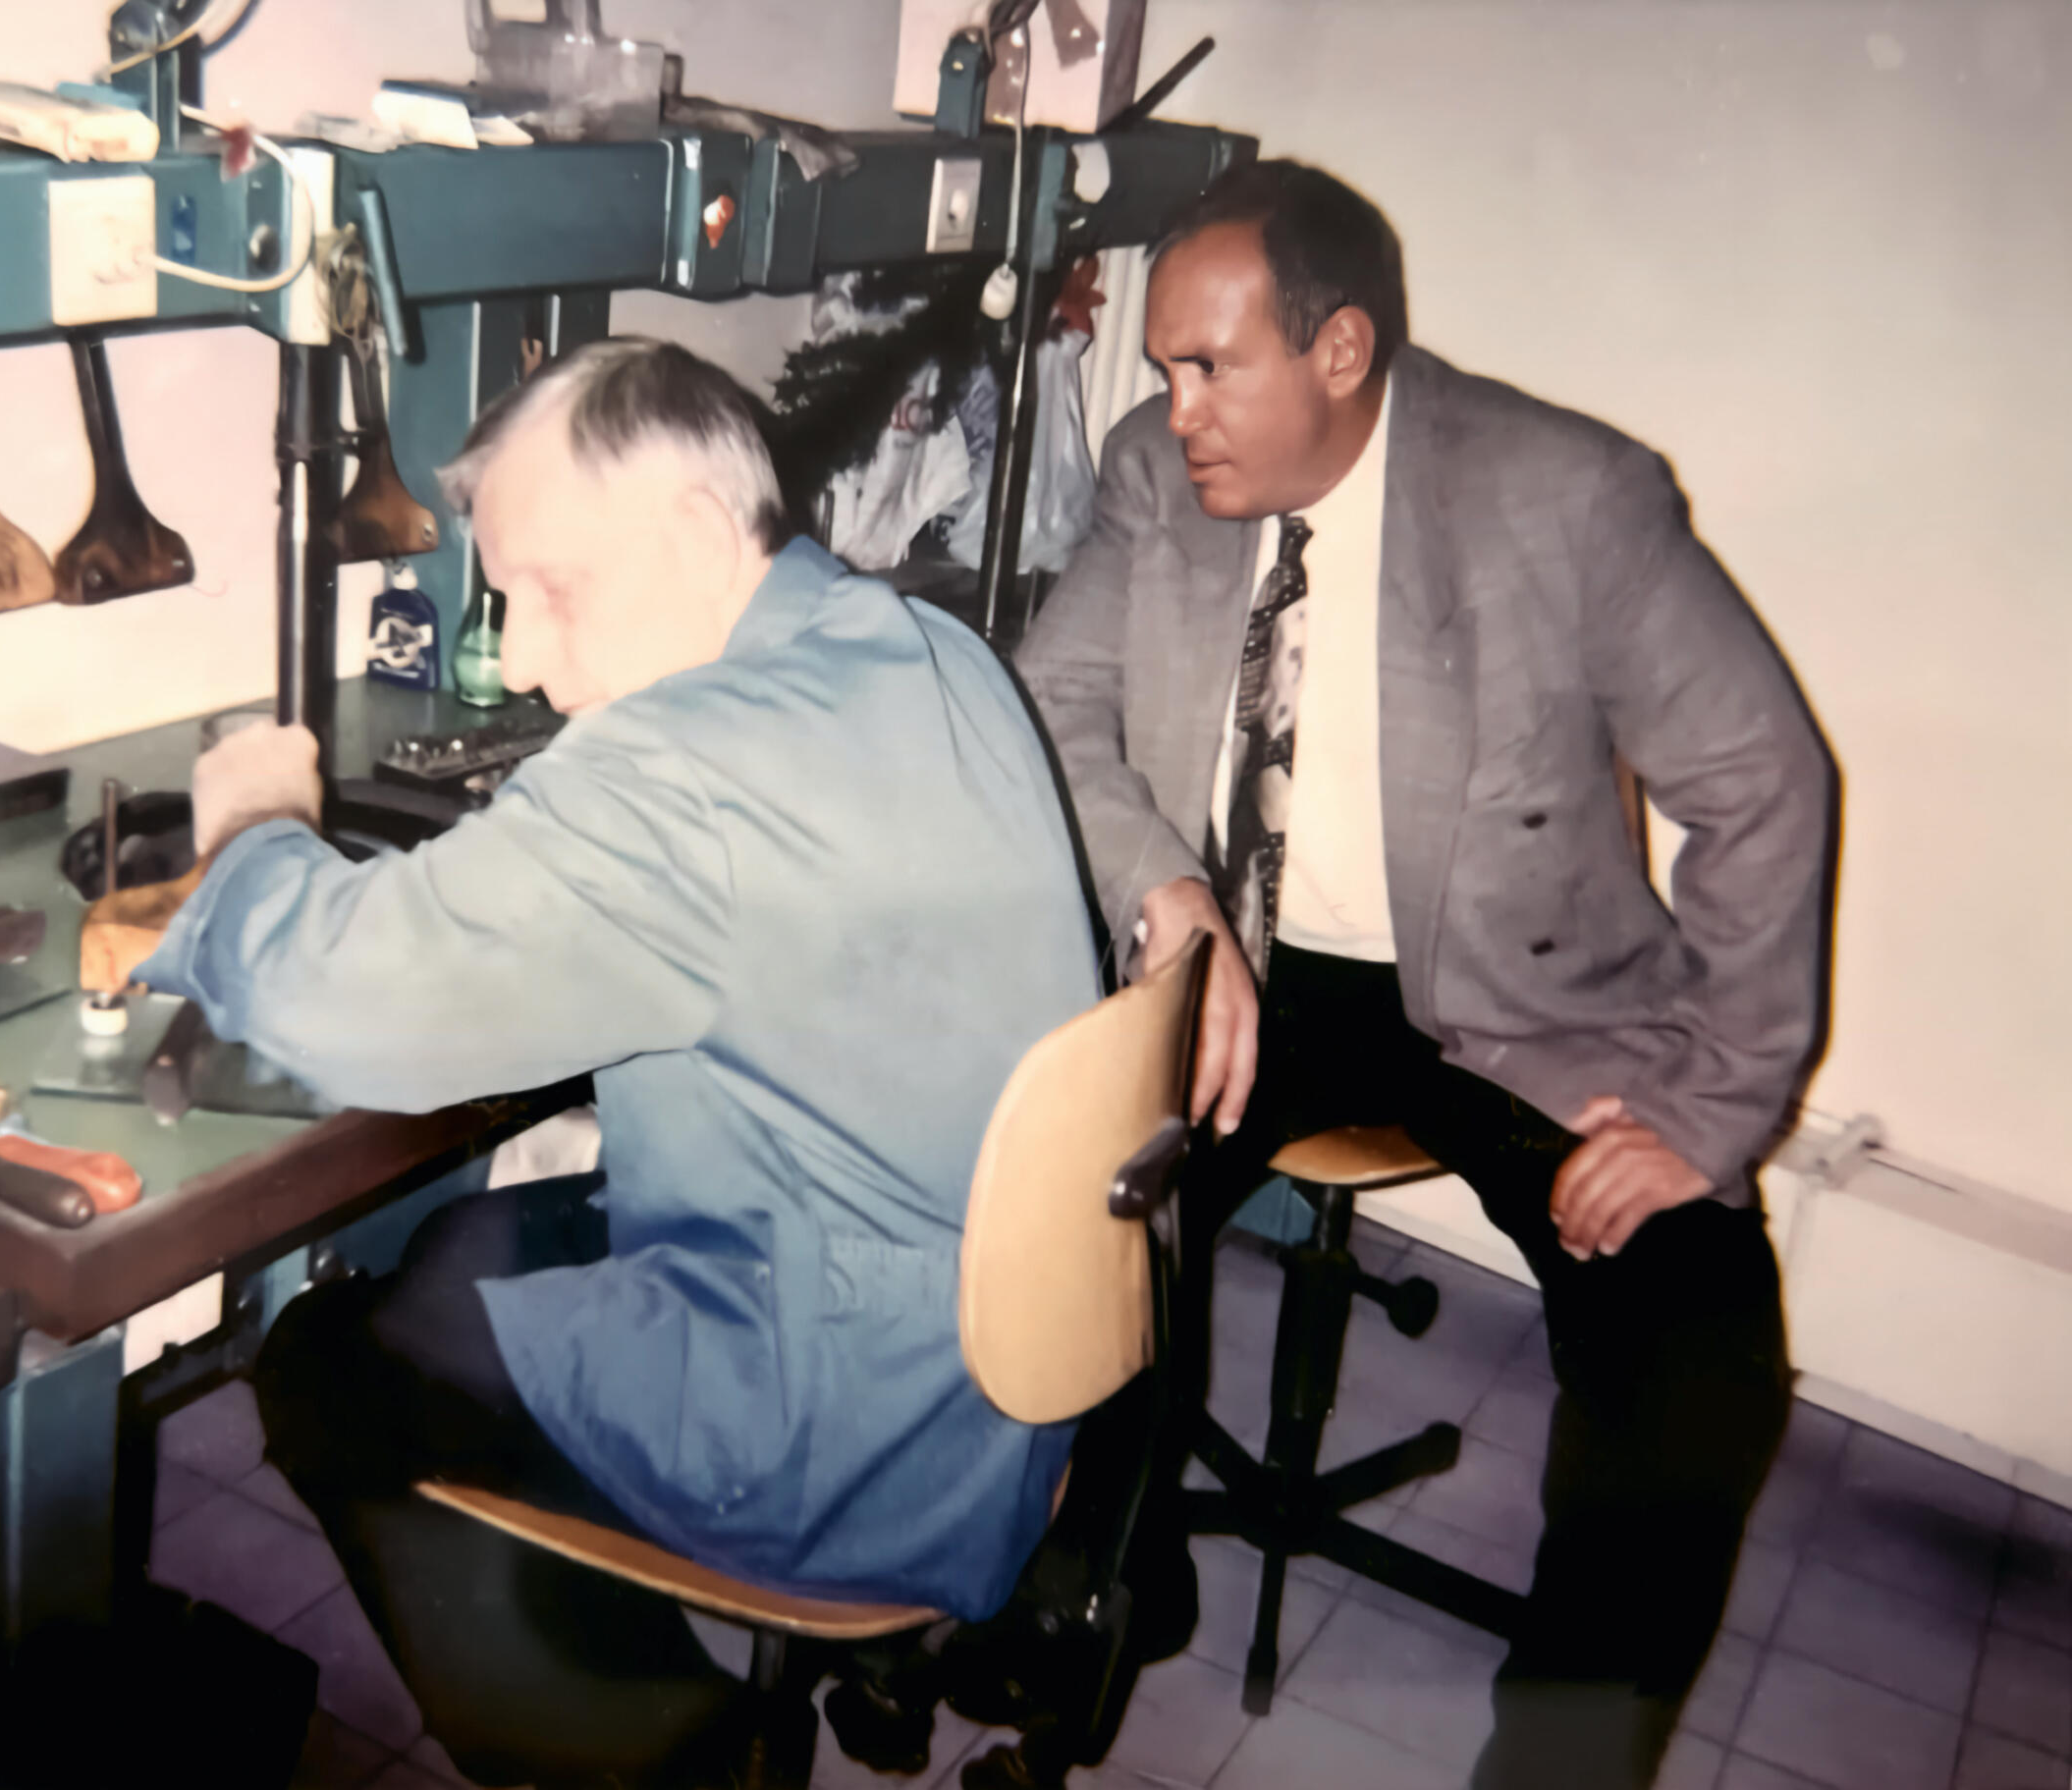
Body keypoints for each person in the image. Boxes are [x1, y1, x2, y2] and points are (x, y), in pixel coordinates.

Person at [130, 339, 1100, 1786]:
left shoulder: (680, 768)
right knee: (466, 1245)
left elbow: (356, 1007)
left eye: (548, 593)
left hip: (840, 1427)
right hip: (1001, 1359)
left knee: (329, 1360)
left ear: (700, 536)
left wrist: (258, 833)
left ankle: (647, 1749)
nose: (519, 658)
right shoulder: (926, 647)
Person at [1015, 161, 1833, 1789]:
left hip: (1530, 1010)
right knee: (1086, 1203)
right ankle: (1097, 1590)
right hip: (1249, 965)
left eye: (1211, 368)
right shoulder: (1149, 477)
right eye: (1163, 368)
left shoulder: (1567, 495)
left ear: (1340, 351)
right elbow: (1055, 703)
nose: (1173, 410)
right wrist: (1173, 893)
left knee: (1694, 1362)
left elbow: (1767, 783)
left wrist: (1708, 1102)